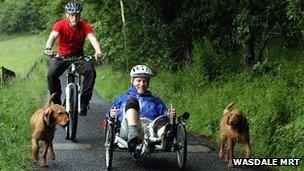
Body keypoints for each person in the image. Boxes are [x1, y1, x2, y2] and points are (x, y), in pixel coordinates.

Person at [44, 2, 103, 116]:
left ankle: (84, 102)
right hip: (61, 57)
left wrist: (98, 51)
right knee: (51, 75)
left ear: (80, 15)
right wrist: (48, 48)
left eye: (77, 14)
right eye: (71, 15)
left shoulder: (85, 26)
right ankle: (57, 104)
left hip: (78, 57)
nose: (74, 17)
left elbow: (92, 39)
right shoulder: (60, 25)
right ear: (67, 15)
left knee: (90, 71)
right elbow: (53, 36)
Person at [106, 65, 176, 152]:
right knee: (132, 101)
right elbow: (108, 118)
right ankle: (133, 134)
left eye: (145, 81)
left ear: (148, 83)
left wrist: (170, 115)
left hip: (150, 130)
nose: (142, 84)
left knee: (160, 121)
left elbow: (164, 116)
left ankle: (165, 139)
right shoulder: (121, 99)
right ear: (132, 81)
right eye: (138, 81)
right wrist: (111, 114)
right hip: (128, 128)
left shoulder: (156, 101)